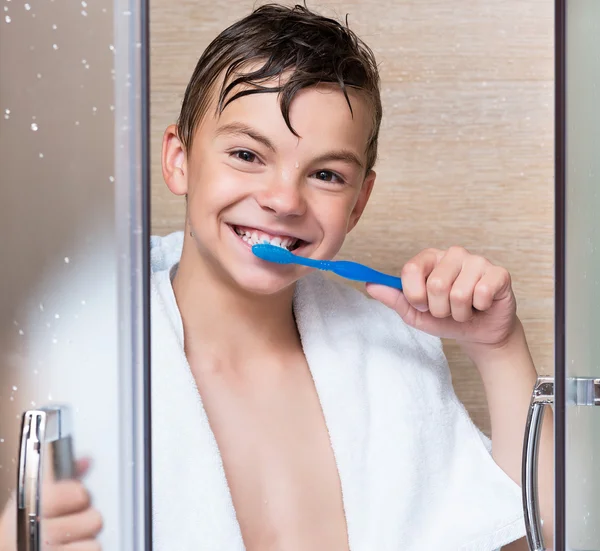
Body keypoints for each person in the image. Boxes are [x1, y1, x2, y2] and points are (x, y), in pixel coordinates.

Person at [0, 3, 553, 550]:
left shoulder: (388, 362)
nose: (284, 199)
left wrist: (500, 347)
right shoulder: (76, 361)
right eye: (246, 154)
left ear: (358, 203)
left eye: (326, 174)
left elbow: (534, 536)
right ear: (178, 160)